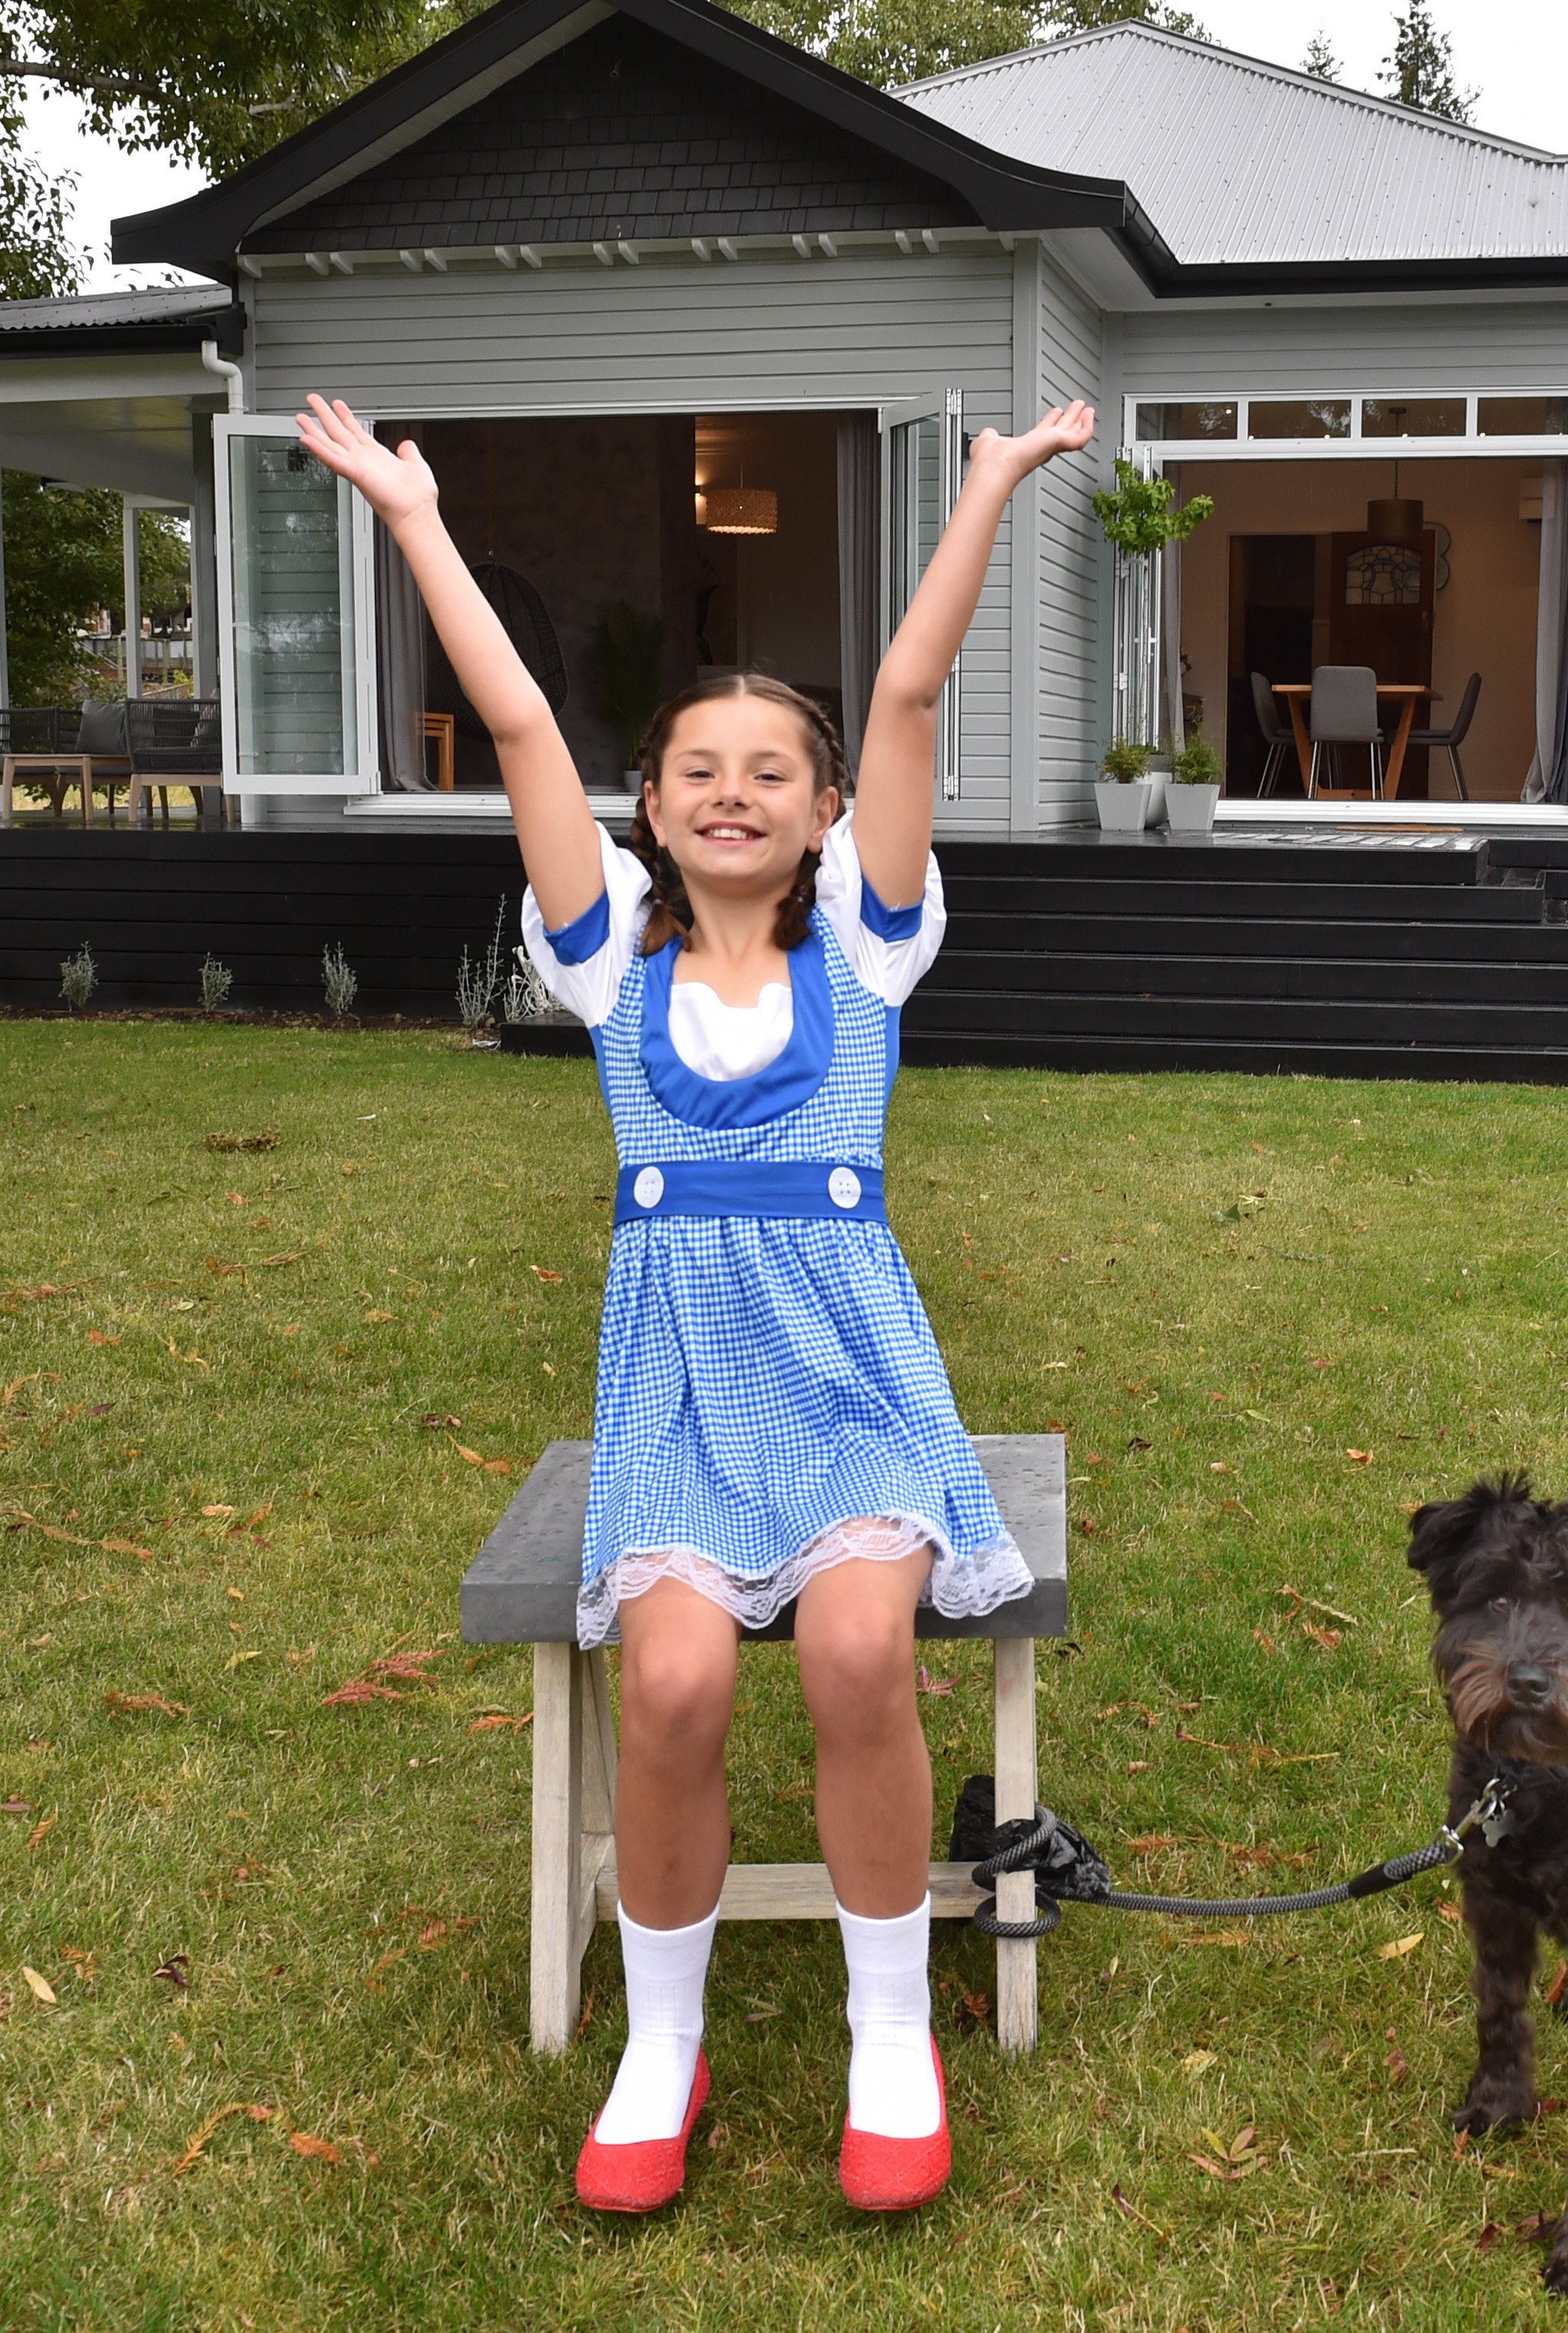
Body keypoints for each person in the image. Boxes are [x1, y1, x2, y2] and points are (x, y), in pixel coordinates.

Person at [293, 389, 1095, 2214]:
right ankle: (666, 2038)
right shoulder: (602, 968)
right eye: (696, 773)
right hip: (679, 1389)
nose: (734, 794)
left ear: (823, 816)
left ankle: (892, 2032)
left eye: (771, 775)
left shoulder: (875, 949)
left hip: (850, 1386)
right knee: (663, 1685)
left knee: (858, 1649)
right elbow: (511, 714)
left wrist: (981, 489)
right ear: (648, 808)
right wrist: (417, 519)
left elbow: (904, 697)